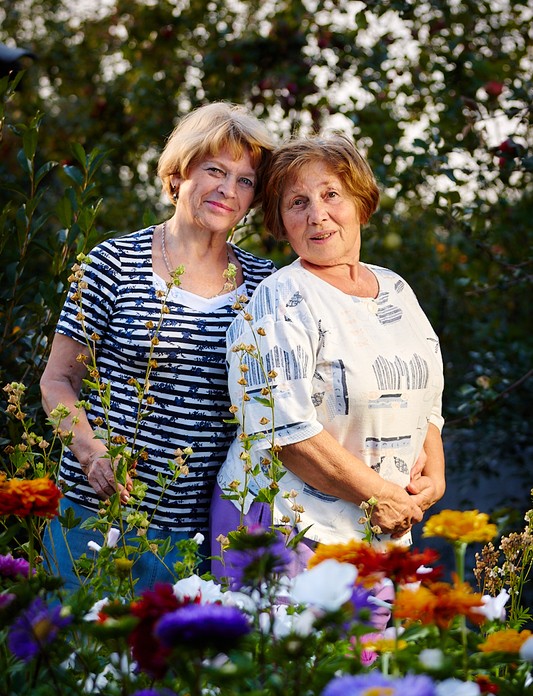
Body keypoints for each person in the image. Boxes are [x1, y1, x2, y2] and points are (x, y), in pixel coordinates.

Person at [40, 101, 275, 592]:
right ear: (178, 173)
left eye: (245, 180)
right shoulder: (114, 262)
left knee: (168, 667)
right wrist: (90, 453)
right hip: (94, 518)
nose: (228, 190)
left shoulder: (265, 284)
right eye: (215, 170)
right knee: (77, 659)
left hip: (198, 535)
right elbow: (57, 381)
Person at [211, 133, 445, 588]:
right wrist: (381, 496)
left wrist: (434, 476)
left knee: (366, 658)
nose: (317, 215)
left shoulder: (395, 288)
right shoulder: (279, 299)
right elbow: (284, 431)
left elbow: (427, 397)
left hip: (378, 527)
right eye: (297, 202)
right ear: (281, 222)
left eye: (331, 194)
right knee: (286, 659)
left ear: (360, 201)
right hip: (285, 524)